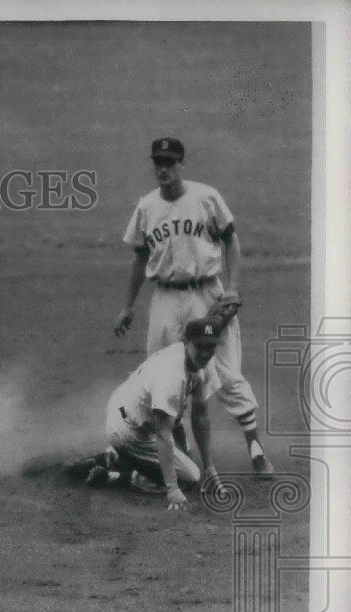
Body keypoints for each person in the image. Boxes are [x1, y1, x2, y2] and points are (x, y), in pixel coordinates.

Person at [114, 137, 273, 476]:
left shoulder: (206, 197)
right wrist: (128, 306)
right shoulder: (146, 207)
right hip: (165, 298)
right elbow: (141, 256)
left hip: (206, 292)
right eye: (158, 162)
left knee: (224, 370)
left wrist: (231, 288)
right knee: (160, 369)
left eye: (170, 162)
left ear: (181, 164)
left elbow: (230, 238)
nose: (163, 168)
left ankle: (255, 446)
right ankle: (177, 444)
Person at [80, 318, 224, 512]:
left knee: (187, 459)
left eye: (210, 346)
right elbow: (163, 434)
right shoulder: (172, 376)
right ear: (186, 342)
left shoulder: (203, 363)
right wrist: (172, 489)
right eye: (200, 346)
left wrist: (210, 468)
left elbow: (200, 416)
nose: (206, 353)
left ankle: (112, 457)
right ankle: (116, 476)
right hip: (128, 430)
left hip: (132, 411)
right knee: (190, 478)